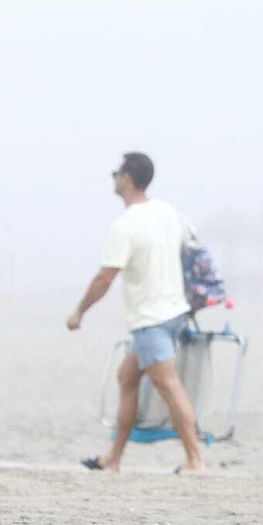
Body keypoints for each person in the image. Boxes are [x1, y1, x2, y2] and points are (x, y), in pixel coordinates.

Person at [68, 152, 205, 475]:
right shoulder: (169, 213)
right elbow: (193, 245)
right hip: (174, 313)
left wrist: (79, 312)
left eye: (116, 172)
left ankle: (195, 460)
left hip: (151, 320)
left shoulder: (125, 225)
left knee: (169, 385)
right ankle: (113, 458)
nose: (113, 177)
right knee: (126, 378)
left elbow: (105, 278)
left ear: (127, 179)